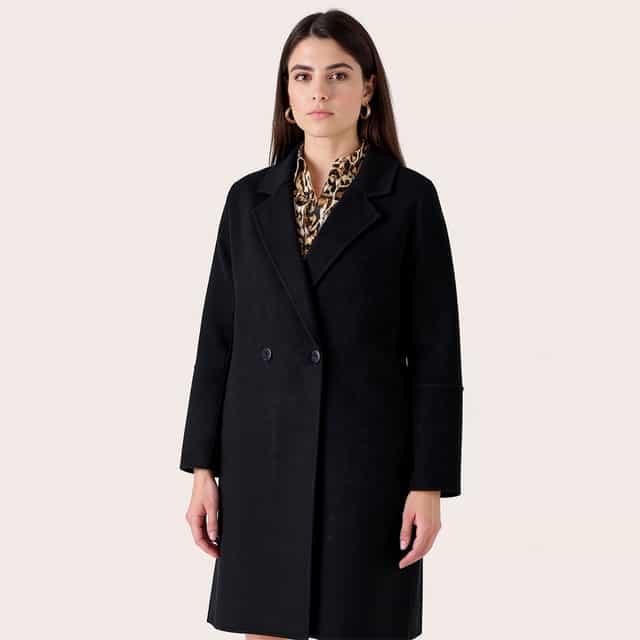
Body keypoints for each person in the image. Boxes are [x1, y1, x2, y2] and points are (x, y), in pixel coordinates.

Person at [179, 9, 464, 640]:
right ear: (286, 93)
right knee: (265, 627)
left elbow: (436, 352)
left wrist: (429, 483)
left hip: (366, 462)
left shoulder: (409, 198)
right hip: (260, 456)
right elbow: (218, 340)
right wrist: (202, 468)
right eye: (302, 75)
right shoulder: (247, 199)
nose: (319, 91)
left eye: (338, 75)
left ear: (368, 89)